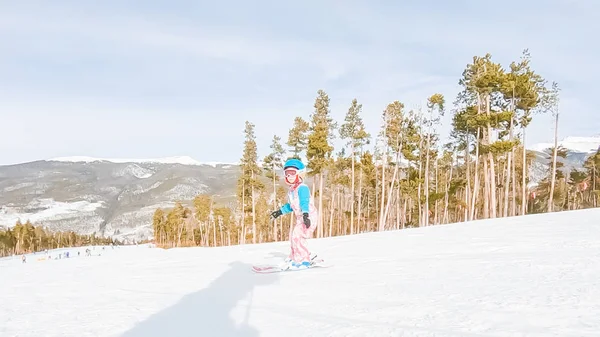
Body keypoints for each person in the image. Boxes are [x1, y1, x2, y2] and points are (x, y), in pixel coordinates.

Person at [270, 158, 318, 269]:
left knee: (298, 236)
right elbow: (291, 206)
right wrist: (279, 212)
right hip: (302, 218)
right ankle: (295, 256)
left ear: (300, 173)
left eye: (292, 173)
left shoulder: (302, 188)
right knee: (294, 237)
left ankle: (303, 259)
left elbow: (304, 202)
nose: (289, 176)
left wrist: (306, 215)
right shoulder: (292, 190)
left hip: (309, 216)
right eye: (287, 174)